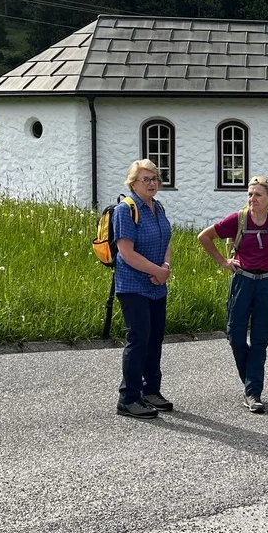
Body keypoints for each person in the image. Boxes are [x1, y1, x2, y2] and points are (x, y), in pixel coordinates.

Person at [198, 175, 268, 414]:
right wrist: (223, 261)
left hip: (267, 284)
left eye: (258, 194)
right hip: (242, 281)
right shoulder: (238, 219)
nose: (252, 199)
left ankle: (253, 392)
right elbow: (204, 237)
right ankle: (251, 381)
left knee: (260, 339)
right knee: (235, 335)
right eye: (250, 194)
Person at [112, 159, 174, 420]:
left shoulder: (157, 207)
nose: (152, 183)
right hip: (133, 285)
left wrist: (166, 267)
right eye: (145, 179)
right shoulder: (125, 210)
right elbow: (126, 253)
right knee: (138, 339)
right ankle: (128, 398)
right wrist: (156, 271)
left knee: (155, 338)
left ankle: (151, 391)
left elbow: (166, 240)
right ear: (133, 183)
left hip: (157, 285)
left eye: (155, 178)